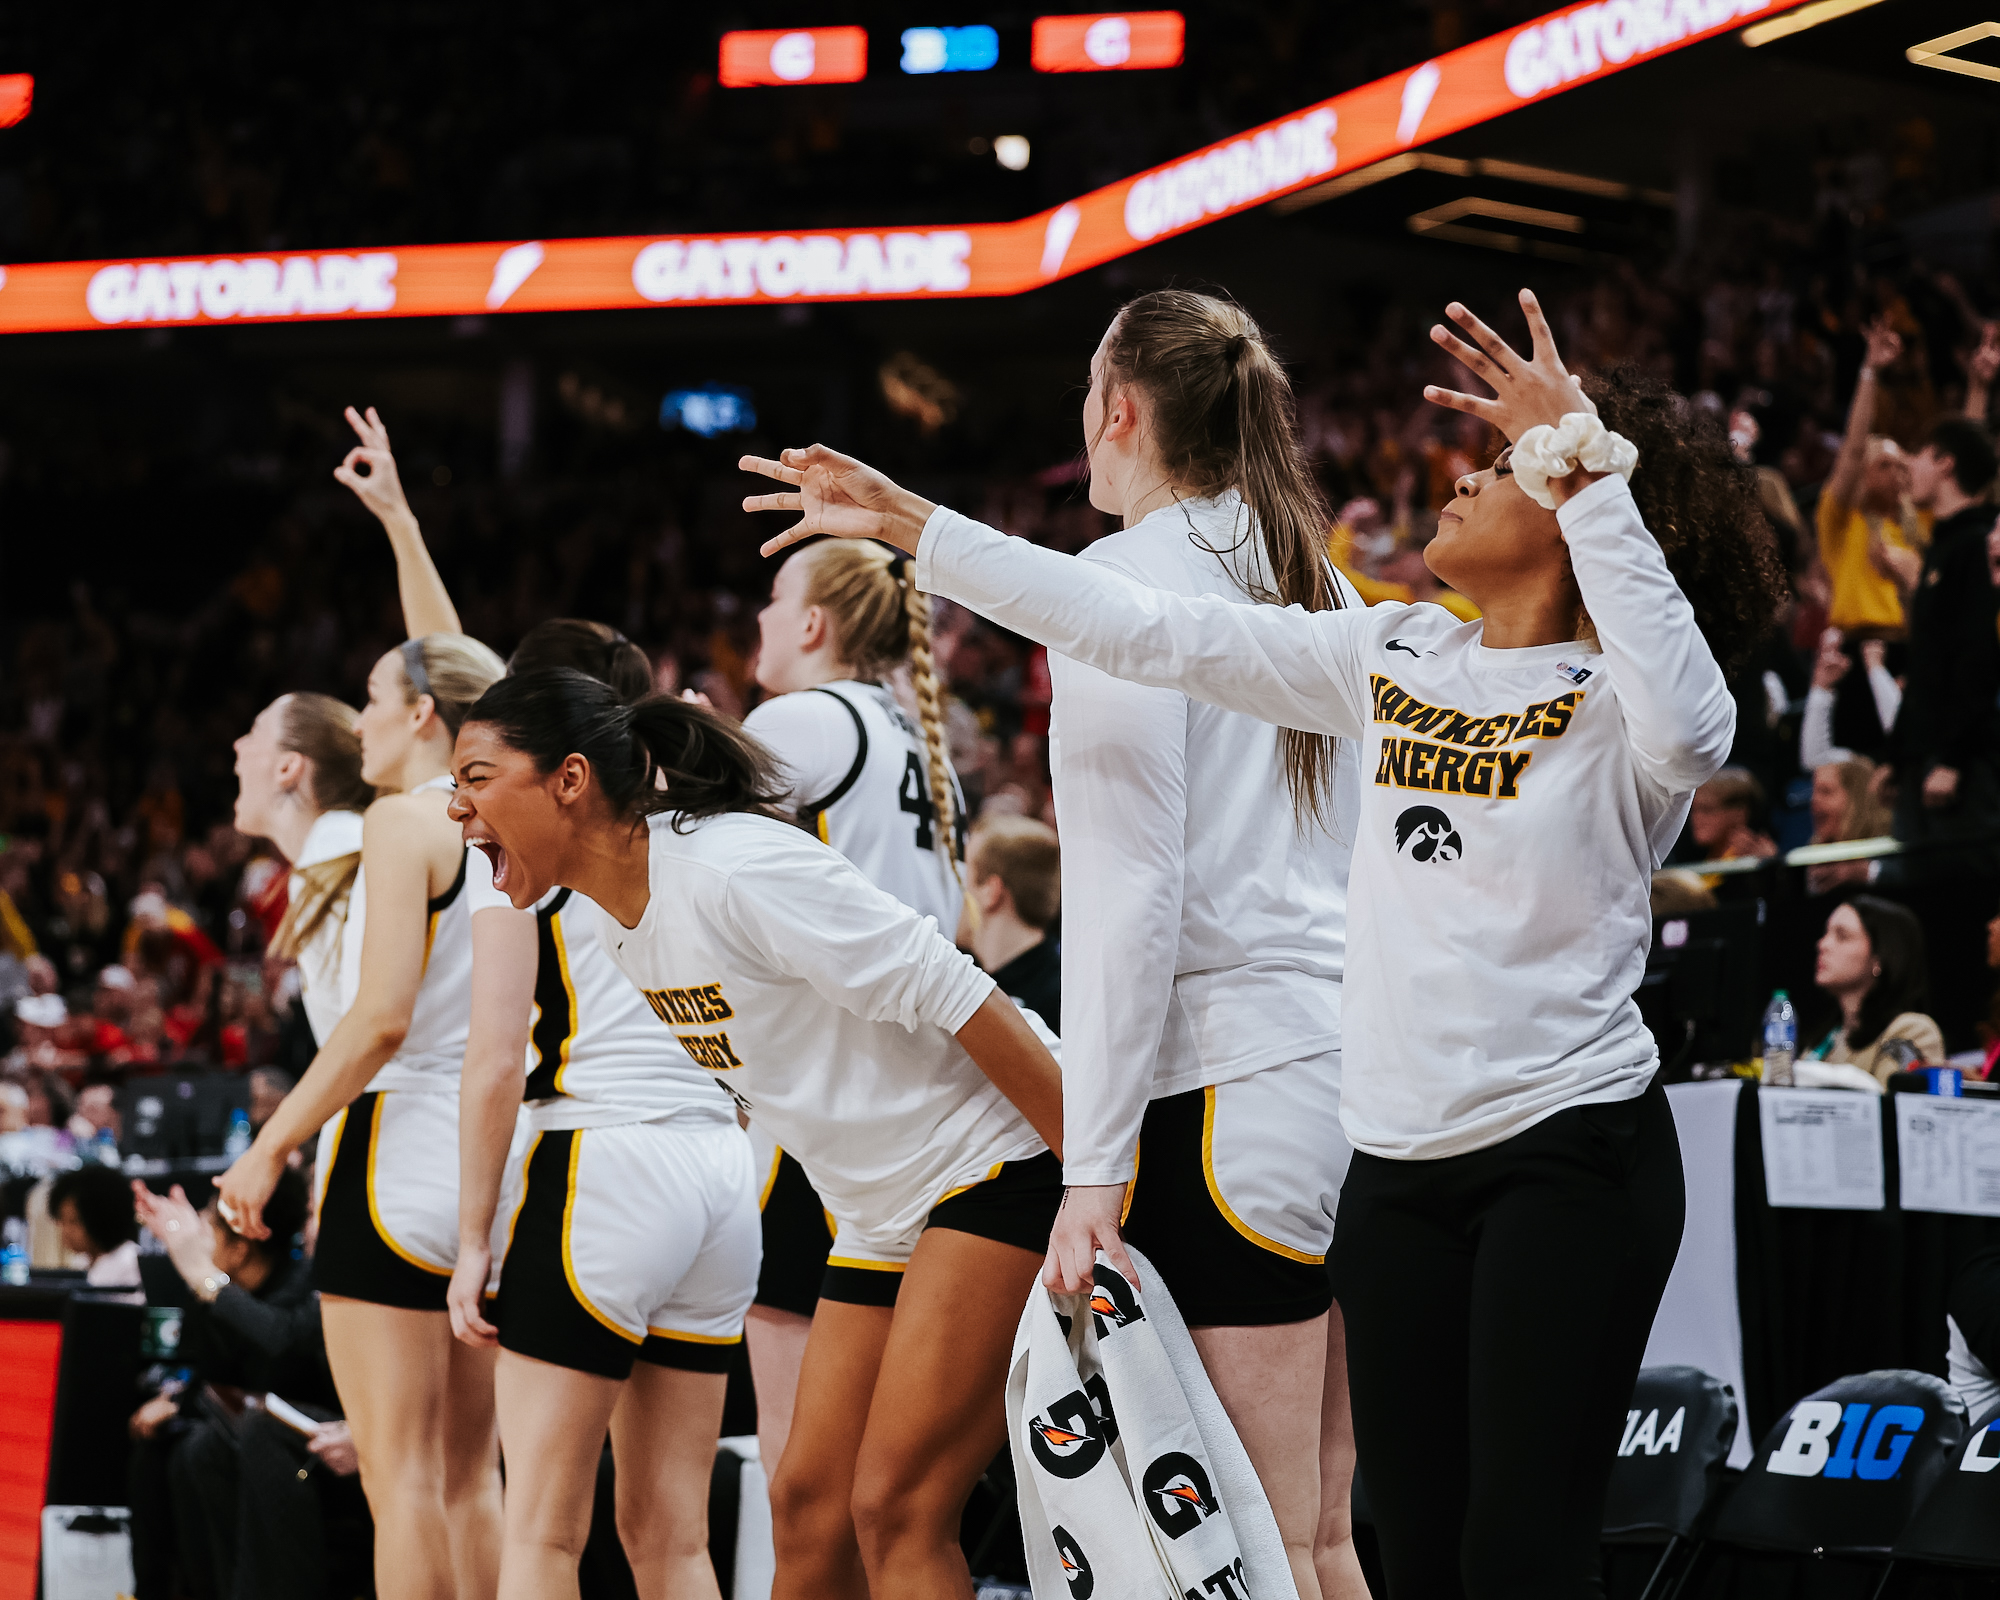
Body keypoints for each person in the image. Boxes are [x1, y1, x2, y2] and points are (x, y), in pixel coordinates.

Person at [740, 285, 1787, 1598]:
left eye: (1503, 471)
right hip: (1374, 1126)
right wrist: (915, 525)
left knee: (1390, 1544)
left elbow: (1697, 725)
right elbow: (1143, 635)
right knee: (1361, 1538)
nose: (1464, 484)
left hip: (1424, 1121)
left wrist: (1094, 1163)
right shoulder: (1377, 629)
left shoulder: (1604, 695)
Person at [446, 669, 1064, 1600]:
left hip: (993, 1164)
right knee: (808, 1511)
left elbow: (961, 989)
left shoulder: (728, 866)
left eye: (477, 776)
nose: (455, 805)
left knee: (898, 1511)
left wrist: (1102, 1176)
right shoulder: (619, 919)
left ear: (569, 779)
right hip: (875, 1210)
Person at [332, 404, 764, 1600]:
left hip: (602, 1167)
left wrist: (472, 1240)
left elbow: (490, 1063)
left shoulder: (516, 836)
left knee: (540, 1539)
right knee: (676, 1541)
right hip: (724, 1183)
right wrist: (402, 525)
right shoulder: (695, 814)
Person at [1003, 289, 1374, 1596]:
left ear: (1122, 410)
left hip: (1227, 1095)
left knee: (1253, 1546)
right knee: (1322, 1536)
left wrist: (1092, 1168)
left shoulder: (1119, 582)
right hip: (1355, 1089)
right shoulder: (1323, 579)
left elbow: (1127, 895)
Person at [215, 624, 524, 1600]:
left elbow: (375, 1021)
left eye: (378, 697)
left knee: (404, 1482)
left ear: (423, 712)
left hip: (396, 1146)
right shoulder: (495, 817)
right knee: (474, 1478)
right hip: (491, 1155)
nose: (364, 723)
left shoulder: (376, 829)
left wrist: (273, 1147)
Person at [740, 532, 969, 1480]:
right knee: (889, 1477)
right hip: (921, 1105)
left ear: (812, 621)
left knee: (806, 1474)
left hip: (827, 1112)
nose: (757, 617)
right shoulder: (922, 747)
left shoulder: (802, 722)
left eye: (772, 598)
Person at [128, 1169, 324, 1600]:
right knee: (159, 1445)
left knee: (199, 1453)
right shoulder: (219, 1288)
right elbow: (213, 1367)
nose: (199, 1237)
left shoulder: (301, 1285)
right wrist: (179, 1400)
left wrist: (202, 1274)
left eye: (210, 1226)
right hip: (237, 1431)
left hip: (304, 1447)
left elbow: (278, 1344)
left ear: (241, 1245)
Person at [1885, 417, 2000, 874]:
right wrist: (1898, 757)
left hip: (1961, 769)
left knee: (1959, 903)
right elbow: (1928, 663)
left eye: (1920, 454)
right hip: (1927, 761)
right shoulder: (1944, 546)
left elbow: (1979, 657)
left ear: (1945, 463)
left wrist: (1952, 759)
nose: (1910, 466)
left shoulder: (1978, 545)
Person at [1804, 897, 1942, 1086]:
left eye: (1842, 936)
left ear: (1880, 957)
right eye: (1825, 933)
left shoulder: (1912, 1030)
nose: (1822, 944)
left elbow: (1891, 1106)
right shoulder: (1826, 1039)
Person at [961, 816, 1061, 1034]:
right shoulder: (966, 973)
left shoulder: (1062, 996)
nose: (953, 890)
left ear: (991, 891)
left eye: (962, 873)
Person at [49, 1161, 142, 1285]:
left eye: (74, 1221)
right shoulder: (81, 1262)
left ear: (101, 1218)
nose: (65, 1231)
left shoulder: (130, 1262)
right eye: (62, 1221)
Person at [1682, 767, 1776, 866]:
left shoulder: (1753, 860)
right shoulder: (1706, 857)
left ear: (1739, 813)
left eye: (1707, 810)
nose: (1696, 819)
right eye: (1693, 810)